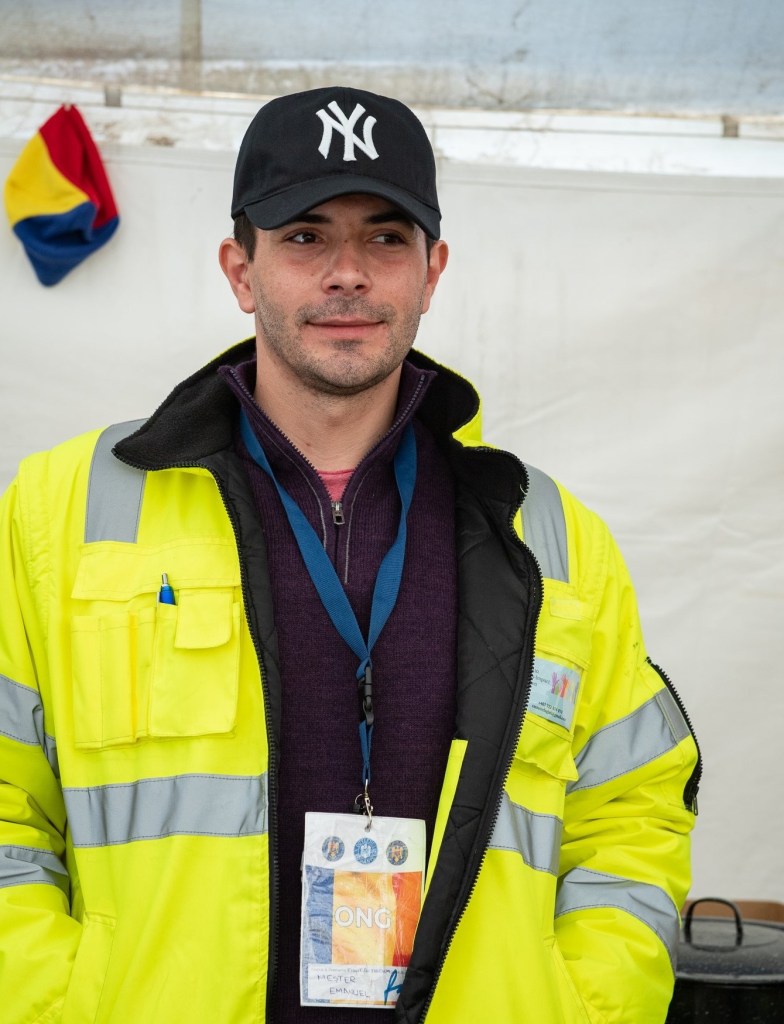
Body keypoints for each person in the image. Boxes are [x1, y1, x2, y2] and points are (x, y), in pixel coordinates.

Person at [0, 86, 700, 1024]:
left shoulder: (548, 533)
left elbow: (633, 809)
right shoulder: (63, 510)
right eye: (304, 237)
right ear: (240, 271)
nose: (347, 274)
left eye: (384, 237)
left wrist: (581, 1002)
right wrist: (55, 1002)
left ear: (432, 269)